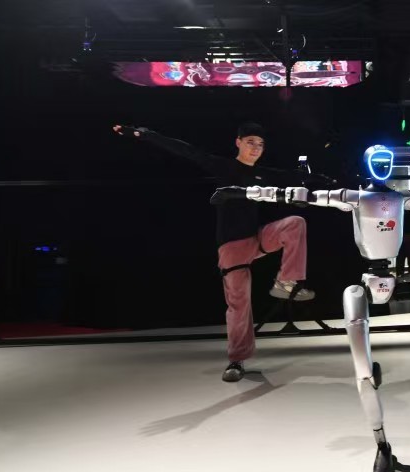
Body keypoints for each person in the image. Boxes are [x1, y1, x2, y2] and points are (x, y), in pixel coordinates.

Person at [113, 122, 315, 383]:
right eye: (251, 142)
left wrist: (319, 178)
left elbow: (293, 178)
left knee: (295, 223)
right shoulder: (224, 166)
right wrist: (146, 135)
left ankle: (285, 282)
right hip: (232, 245)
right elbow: (188, 151)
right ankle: (236, 360)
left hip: (257, 238)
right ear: (238, 142)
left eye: (261, 144)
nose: (256, 148)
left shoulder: (263, 173)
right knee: (239, 304)